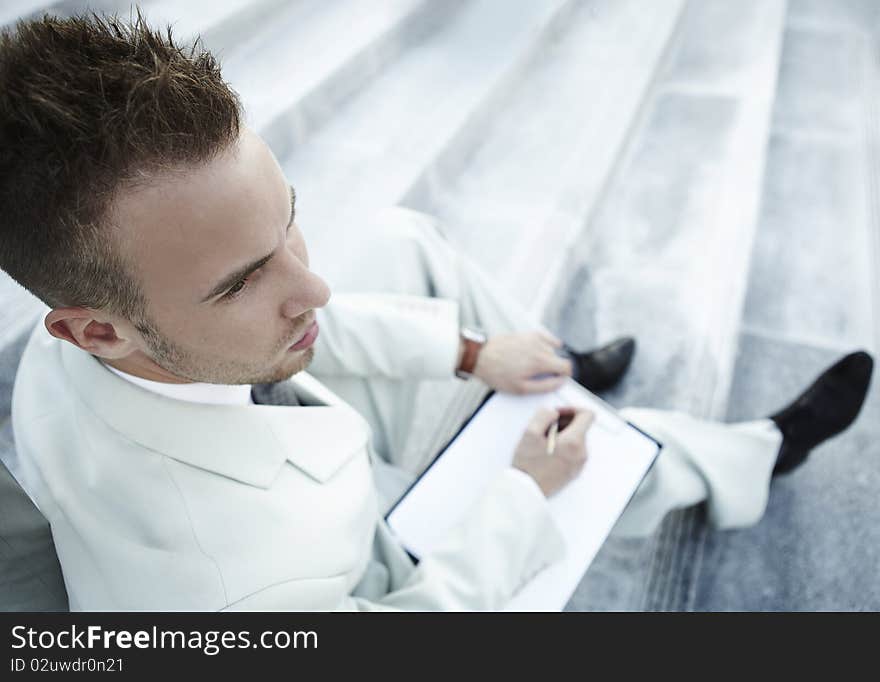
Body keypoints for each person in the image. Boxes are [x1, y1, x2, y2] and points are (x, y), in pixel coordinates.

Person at [1, 14, 873, 611]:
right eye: (239, 283)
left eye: (289, 218)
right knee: (579, 458)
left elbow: (255, 314)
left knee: (396, 235)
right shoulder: (230, 589)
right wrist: (521, 497)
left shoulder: (97, 343)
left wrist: (468, 351)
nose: (316, 288)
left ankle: (538, 364)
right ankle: (747, 455)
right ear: (95, 329)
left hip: (288, 437)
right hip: (356, 560)